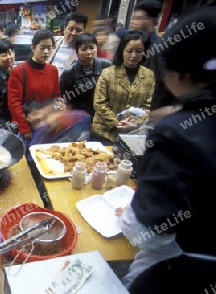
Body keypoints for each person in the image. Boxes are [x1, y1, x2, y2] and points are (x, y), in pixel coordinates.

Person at [117, 7, 216, 293]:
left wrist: (132, 214)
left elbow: (148, 234)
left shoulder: (176, 134)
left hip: (182, 273)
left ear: (178, 73)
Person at [91, 30, 154, 145]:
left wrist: (136, 122)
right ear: (122, 51)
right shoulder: (108, 73)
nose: (133, 55)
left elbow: (147, 106)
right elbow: (99, 103)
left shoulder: (149, 76)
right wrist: (116, 122)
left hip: (131, 133)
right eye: (129, 51)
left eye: (139, 51)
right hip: (104, 131)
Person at [130, 0, 179, 123]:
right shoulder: (132, 43)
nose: (133, 22)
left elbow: (162, 89)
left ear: (152, 21)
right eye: (133, 18)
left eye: (138, 18)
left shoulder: (158, 49)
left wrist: (152, 115)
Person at [8, 29, 61, 141]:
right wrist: (24, 127)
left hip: (46, 125)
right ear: (33, 48)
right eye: (42, 48)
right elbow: (14, 103)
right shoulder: (18, 71)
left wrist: (55, 114)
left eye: (49, 48)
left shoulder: (53, 70)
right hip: (26, 125)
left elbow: (55, 98)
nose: (46, 52)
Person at [60, 33, 112, 117]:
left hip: (105, 114)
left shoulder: (108, 65)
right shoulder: (69, 72)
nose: (89, 52)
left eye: (92, 48)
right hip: (82, 117)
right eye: (84, 49)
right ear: (77, 52)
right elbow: (66, 98)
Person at [48, 12, 89, 78]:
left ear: (84, 32)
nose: (74, 33)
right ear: (64, 28)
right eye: (71, 29)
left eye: (78, 30)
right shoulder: (52, 41)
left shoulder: (85, 51)